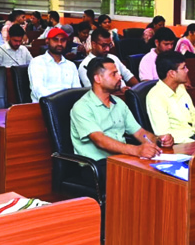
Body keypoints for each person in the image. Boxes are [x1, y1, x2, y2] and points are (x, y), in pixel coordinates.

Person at [70, 57, 168, 192]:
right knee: (145, 180)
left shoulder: (119, 103)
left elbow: (139, 133)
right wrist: (136, 150)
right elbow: (100, 141)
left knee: (163, 172)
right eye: (114, 74)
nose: (120, 76)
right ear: (98, 79)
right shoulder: (82, 107)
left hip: (122, 159)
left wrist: (157, 141)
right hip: (96, 166)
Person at [147, 51, 195, 144]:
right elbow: (164, 133)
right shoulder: (155, 96)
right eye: (183, 68)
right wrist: (194, 142)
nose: (187, 70)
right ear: (172, 73)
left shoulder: (180, 88)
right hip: (179, 146)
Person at [28, 28, 80, 102]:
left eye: (63, 40)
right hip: (44, 107)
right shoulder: (37, 62)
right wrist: (57, 103)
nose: (59, 43)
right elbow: (38, 89)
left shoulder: (71, 65)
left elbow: (76, 90)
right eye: (55, 40)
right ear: (47, 41)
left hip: (68, 107)